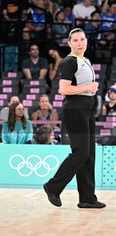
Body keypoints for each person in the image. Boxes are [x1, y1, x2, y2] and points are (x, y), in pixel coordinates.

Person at [43, 28, 106, 209]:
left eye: (82, 39)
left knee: (89, 154)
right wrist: (88, 86)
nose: (80, 43)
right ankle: (53, 186)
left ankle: (87, 198)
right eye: (75, 40)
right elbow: (64, 89)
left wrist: (90, 89)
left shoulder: (85, 60)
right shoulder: (69, 61)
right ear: (69, 43)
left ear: (86, 41)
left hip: (86, 107)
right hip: (75, 108)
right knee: (81, 152)